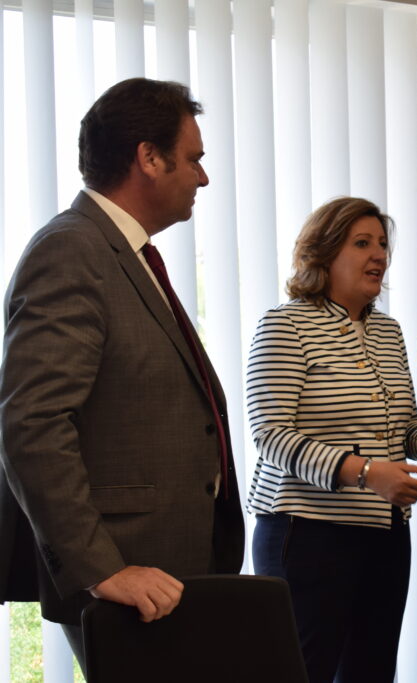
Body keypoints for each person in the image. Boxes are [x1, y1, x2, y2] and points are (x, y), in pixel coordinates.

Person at [0, 78, 245, 665]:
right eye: (194, 159)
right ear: (149, 158)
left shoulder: (121, 253)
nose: (203, 178)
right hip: (125, 582)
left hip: (170, 572)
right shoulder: (71, 250)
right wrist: (101, 569)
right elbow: (32, 424)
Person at [247, 196, 417, 683]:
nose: (379, 254)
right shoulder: (285, 324)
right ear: (323, 254)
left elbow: (400, 429)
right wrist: (365, 473)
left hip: (386, 535)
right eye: (362, 243)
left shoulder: (388, 332)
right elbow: (270, 435)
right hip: (307, 536)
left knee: (372, 673)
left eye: (382, 244)